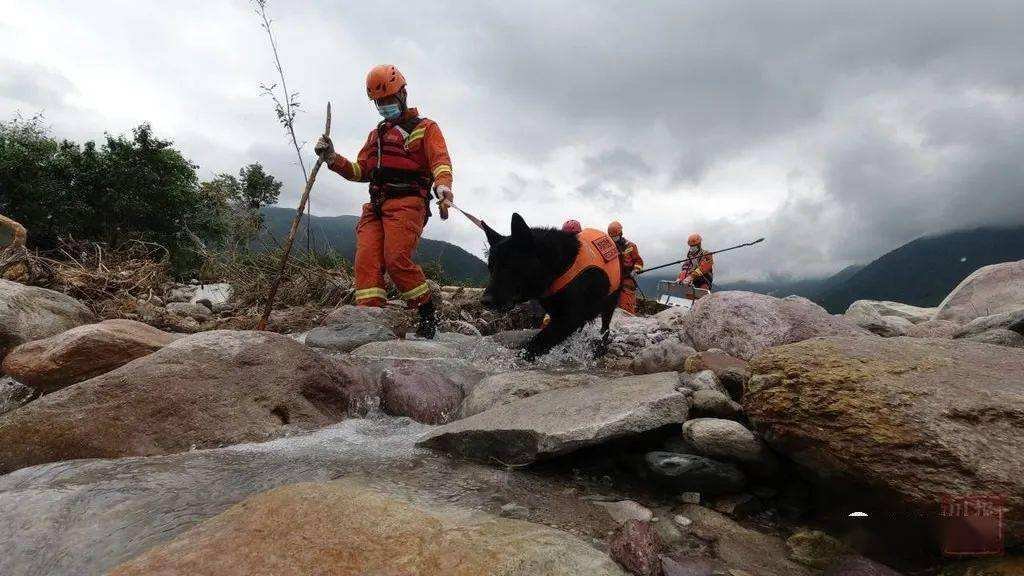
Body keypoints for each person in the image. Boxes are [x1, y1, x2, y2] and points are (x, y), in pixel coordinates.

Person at [315, 64, 453, 339]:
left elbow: (440, 161)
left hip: (407, 203)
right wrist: (332, 158)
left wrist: (443, 188)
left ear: (403, 94)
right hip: (376, 205)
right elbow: (360, 171)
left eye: (389, 100)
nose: (384, 106)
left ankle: (426, 310)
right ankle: (370, 320)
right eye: (380, 102)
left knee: (396, 259)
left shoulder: (426, 128)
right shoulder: (376, 136)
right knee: (366, 261)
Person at [607, 221, 643, 313]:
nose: (614, 239)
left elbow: (638, 262)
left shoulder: (630, 246)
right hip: (614, 279)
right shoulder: (610, 248)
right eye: (612, 237)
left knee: (626, 306)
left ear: (620, 234)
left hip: (627, 279)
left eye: (615, 236)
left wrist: (635, 270)